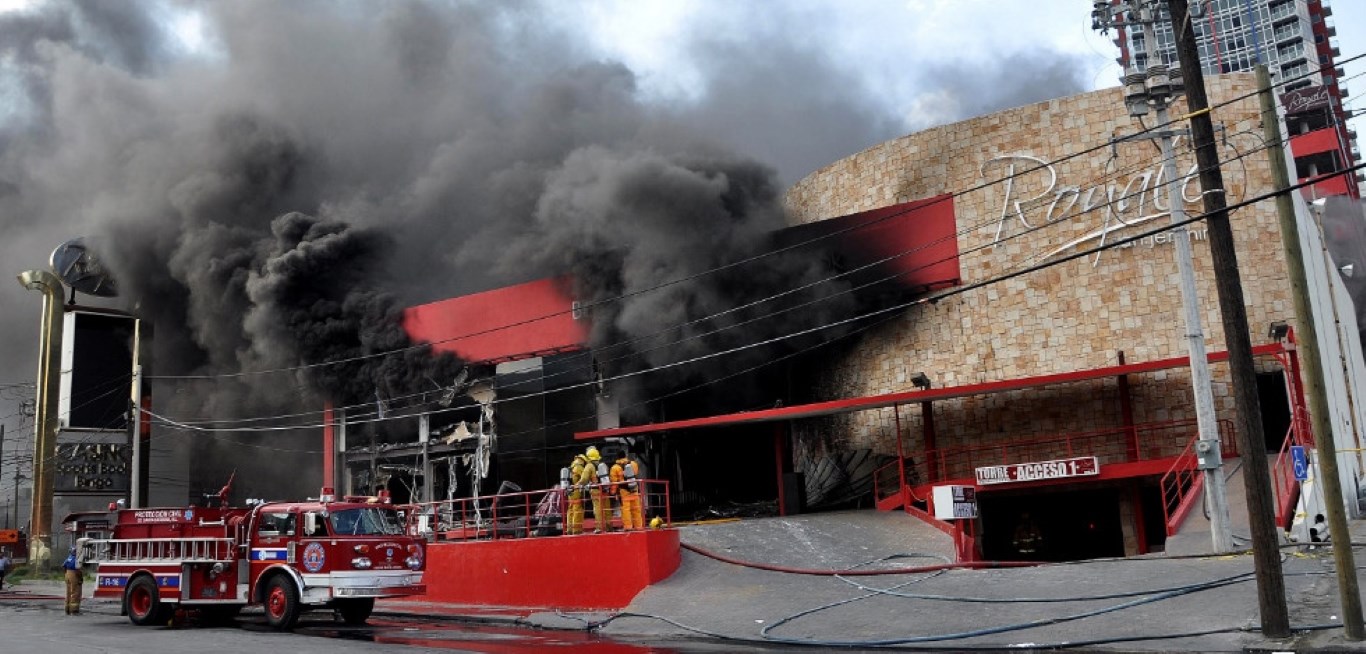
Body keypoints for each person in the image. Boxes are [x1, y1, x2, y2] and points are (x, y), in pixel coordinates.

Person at [609, 453, 644, 531]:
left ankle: (628, 527)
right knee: (636, 509)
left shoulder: (615, 468)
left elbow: (614, 482)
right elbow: (636, 474)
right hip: (634, 489)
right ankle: (638, 526)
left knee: (626, 510)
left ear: (617, 457)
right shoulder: (633, 464)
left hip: (624, 492)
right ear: (625, 456)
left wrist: (613, 492)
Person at [565, 451, 593, 535]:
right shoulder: (579, 467)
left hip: (570, 491)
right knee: (578, 510)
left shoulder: (571, 466)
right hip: (576, 491)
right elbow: (584, 479)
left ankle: (569, 529)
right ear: (582, 460)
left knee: (570, 510)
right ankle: (577, 530)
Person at [586, 447, 611, 533]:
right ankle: (609, 527)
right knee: (607, 509)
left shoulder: (589, 466)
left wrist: (578, 485)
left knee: (597, 510)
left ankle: (599, 528)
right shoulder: (603, 465)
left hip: (595, 490)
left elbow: (584, 478)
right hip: (604, 489)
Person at [63, 546, 82, 615]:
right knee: (75, 592)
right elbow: (77, 569)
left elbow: (64, 566)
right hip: (74, 574)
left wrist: (65, 575)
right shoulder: (76, 559)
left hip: (67, 574)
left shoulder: (69, 558)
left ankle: (67, 608)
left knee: (68, 592)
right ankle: (74, 610)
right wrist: (80, 578)